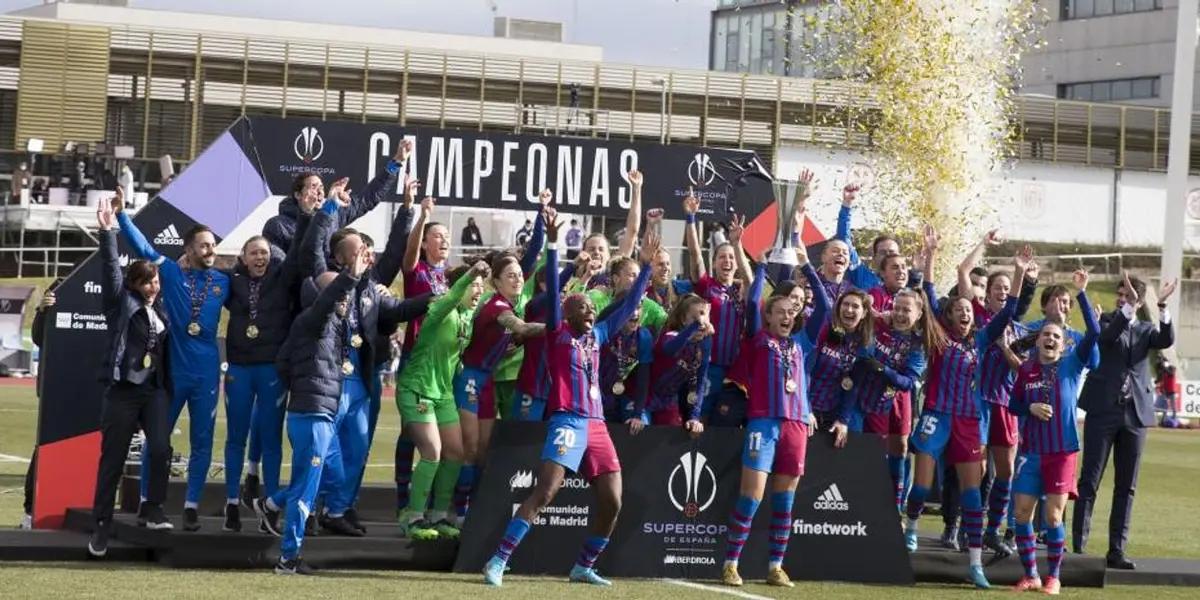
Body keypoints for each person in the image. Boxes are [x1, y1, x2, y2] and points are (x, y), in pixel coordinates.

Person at [481, 218, 663, 587]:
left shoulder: (599, 334)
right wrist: (552, 244)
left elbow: (630, 303)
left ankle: (583, 567)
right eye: (583, 308)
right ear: (567, 314)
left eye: (592, 309)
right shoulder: (557, 334)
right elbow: (554, 286)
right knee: (546, 492)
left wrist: (645, 267)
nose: (591, 312)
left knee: (613, 500)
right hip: (567, 421)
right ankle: (497, 560)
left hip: (597, 425)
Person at [298, 186, 432, 536]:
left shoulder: (372, 288)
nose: (368, 255)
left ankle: (338, 510)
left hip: (362, 379)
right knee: (325, 451)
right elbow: (312, 248)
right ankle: (310, 507)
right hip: (330, 381)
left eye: (368, 250)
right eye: (360, 250)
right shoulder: (324, 282)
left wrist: (437, 297)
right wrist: (329, 208)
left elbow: (398, 298)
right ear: (340, 259)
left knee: (357, 449)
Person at [903, 229, 1031, 589]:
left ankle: (975, 565)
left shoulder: (982, 338)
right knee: (921, 486)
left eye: (968, 310)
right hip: (936, 416)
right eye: (958, 309)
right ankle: (911, 526)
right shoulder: (938, 335)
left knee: (973, 495)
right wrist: (930, 254)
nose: (964, 313)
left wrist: (1019, 272)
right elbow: (929, 292)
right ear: (949, 315)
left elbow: (1009, 311)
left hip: (969, 422)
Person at [115, 188, 230, 532]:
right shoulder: (172, 274)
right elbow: (144, 248)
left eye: (213, 245)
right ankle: (148, 502)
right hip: (173, 374)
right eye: (204, 246)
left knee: (203, 442)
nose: (211, 250)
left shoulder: (224, 281)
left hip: (207, 374)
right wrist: (121, 216)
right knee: (158, 441)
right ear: (188, 250)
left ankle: (191, 506)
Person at [720, 247, 829, 589]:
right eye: (779, 312)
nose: (786, 316)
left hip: (796, 425)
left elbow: (825, 307)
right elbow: (753, 301)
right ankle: (731, 564)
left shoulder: (802, 342)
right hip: (764, 423)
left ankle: (775, 567)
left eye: (790, 313)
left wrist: (808, 266)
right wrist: (762, 266)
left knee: (784, 502)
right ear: (768, 316)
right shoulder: (758, 339)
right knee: (751, 496)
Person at [451, 199, 551, 519]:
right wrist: (560, 327)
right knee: (469, 449)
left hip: (487, 383)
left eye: (519, 275)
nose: (518, 279)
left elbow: (533, 253)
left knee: (483, 451)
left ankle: (475, 510)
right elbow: (520, 327)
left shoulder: (512, 299)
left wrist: (541, 216)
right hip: (470, 380)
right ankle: (457, 511)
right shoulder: (497, 306)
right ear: (496, 281)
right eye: (510, 275)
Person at [1072, 273, 1176, 570]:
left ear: (1140, 301)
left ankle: (1117, 550)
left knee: (1126, 486)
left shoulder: (1146, 329)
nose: (1121, 299)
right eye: (1120, 295)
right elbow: (1106, 338)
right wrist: (1127, 307)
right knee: (1089, 480)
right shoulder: (1106, 321)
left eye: (1127, 296)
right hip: (1103, 410)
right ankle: (1078, 548)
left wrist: (1162, 306)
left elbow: (1166, 339)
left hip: (1136, 414)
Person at [88, 197, 173, 558]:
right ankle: (101, 525)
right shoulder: (120, 303)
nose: (153, 287)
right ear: (134, 284)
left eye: (155, 281)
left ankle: (152, 508)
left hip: (153, 391)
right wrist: (108, 231)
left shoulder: (162, 310)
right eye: (146, 282)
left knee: (161, 448)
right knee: (113, 460)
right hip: (123, 390)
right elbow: (111, 269)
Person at [1009, 269, 1100, 595]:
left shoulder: (1072, 365)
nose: (1050, 339)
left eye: (1056, 337)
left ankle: (1054, 577)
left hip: (1061, 452)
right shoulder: (1027, 369)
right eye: (1046, 335)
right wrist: (1029, 408)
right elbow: (1014, 405)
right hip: (1031, 451)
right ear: (1038, 341)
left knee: (1053, 516)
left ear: (1063, 345)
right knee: (1022, 513)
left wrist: (1082, 293)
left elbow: (1094, 332)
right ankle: (1031, 575)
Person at [219, 219, 307, 531]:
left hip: (271, 368)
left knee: (272, 440)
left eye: (265, 253)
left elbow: (298, 252)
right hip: (239, 369)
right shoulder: (230, 281)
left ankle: (269, 508)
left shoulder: (282, 279)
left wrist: (307, 215)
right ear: (243, 258)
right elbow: (201, 273)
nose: (260, 258)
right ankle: (232, 503)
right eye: (254, 253)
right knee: (235, 439)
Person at [395, 261, 491, 541]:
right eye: (473, 286)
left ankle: (438, 515)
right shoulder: (440, 308)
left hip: (443, 394)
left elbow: (496, 297)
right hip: (417, 389)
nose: (478, 291)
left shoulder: (467, 316)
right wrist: (471, 274)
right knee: (432, 452)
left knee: (455, 454)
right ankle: (412, 517)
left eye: (480, 287)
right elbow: (452, 296)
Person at [847, 287, 940, 512]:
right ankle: (852, 507)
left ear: (918, 313)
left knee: (890, 453)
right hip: (856, 400)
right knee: (856, 453)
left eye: (906, 310)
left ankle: (894, 508)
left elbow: (907, 382)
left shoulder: (918, 344)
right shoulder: (879, 325)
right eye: (896, 308)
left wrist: (881, 369)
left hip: (884, 404)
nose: (899, 314)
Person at [262, 140, 410, 257]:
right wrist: (306, 214)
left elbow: (367, 198)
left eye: (321, 187)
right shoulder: (277, 225)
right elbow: (278, 265)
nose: (319, 192)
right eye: (313, 187)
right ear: (298, 195)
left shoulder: (334, 215)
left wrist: (397, 162)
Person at [682, 190, 756, 419]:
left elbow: (751, 280)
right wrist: (691, 218)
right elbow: (695, 255)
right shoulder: (707, 286)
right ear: (714, 263)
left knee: (726, 423)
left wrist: (737, 244)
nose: (727, 261)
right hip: (707, 366)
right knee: (699, 419)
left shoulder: (741, 290)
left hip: (734, 371)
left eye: (732, 257)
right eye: (722, 257)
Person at [20, 278, 61, 529]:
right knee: (45, 448)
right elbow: (38, 337)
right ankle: (30, 510)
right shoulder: (60, 286)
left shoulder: (111, 289)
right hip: (55, 387)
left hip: (93, 388)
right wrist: (43, 311)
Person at [644, 294, 714, 427]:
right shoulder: (671, 335)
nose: (701, 323)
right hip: (644, 396)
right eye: (695, 318)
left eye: (704, 317)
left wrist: (695, 417)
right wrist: (695, 326)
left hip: (668, 400)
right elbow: (670, 349)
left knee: (671, 434)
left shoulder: (705, 343)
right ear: (683, 320)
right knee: (641, 430)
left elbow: (700, 381)